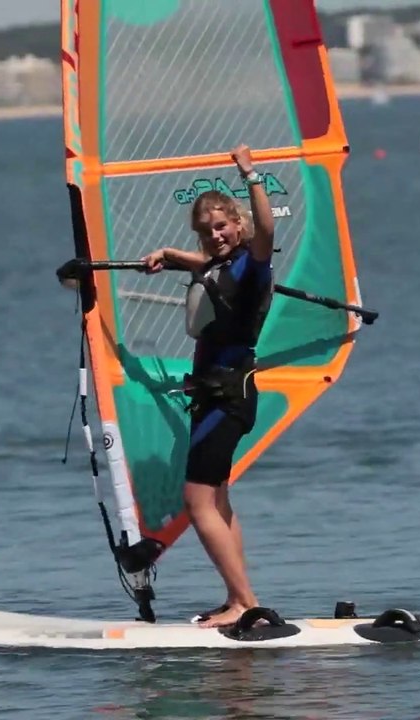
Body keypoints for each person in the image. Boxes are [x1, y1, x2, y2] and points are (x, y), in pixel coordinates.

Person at [140, 143, 275, 629]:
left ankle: (244, 603)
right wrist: (170, 256)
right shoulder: (215, 265)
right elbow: (201, 265)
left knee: (198, 503)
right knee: (217, 500)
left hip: (229, 397)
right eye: (206, 231)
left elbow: (267, 231)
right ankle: (239, 598)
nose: (215, 235)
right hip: (218, 397)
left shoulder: (252, 262)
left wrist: (251, 175)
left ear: (237, 225)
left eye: (221, 227)